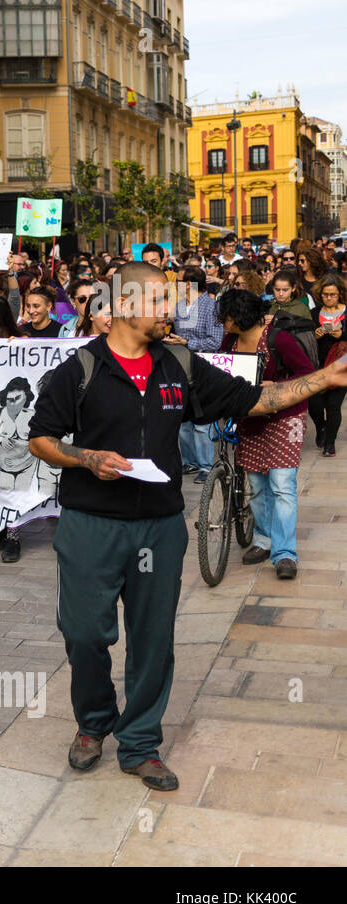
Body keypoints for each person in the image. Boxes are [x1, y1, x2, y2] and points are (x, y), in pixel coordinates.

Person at [28, 262, 347, 792]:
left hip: (158, 529)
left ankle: (140, 744)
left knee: (153, 639)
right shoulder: (79, 369)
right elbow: (41, 439)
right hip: (90, 525)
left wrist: (325, 378)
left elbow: (254, 399)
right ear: (125, 305)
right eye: (159, 300)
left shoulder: (180, 363)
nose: (170, 310)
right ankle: (93, 722)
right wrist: (86, 459)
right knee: (83, 633)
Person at [218, 289, 315, 579]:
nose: (223, 321)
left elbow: (307, 373)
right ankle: (263, 539)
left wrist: (277, 384)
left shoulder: (279, 339)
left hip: (285, 416)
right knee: (258, 485)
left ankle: (285, 553)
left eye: (227, 317)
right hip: (250, 418)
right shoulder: (230, 340)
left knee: (282, 486)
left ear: (241, 317)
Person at [166, 265, 224, 482]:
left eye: (179, 281)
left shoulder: (212, 307)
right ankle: (189, 461)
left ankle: (206, 465)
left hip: (204, 368)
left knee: (202, 421)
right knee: (183, 420)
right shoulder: (180, 306)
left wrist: (188, 342)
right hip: (181, 366)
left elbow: (216, 341)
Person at [309, 274, 347, 456]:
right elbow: (306, 340)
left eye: (333, 294)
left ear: (340, 294)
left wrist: (342, 335)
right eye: (326, 294)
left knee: (333, 405)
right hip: (318, 365)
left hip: (341, 366)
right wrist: (314, 335)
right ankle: (321, 428)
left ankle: (330, 443)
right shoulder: (315, 314)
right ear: (320, 294)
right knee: (314, 403)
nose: (329, 298)